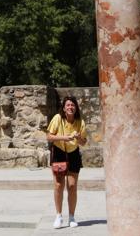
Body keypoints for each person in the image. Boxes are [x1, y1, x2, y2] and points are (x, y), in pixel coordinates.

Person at [45, 96, 87, 229]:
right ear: (64, 108)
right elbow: (49, 136)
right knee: (58, 185)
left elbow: (84, 142)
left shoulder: (80, 122)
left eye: (73, 105)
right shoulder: (58, 118)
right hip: (59, 153)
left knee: (72, 186)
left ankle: (72, 216)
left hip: (74, 153)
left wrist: (78, 137)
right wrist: (65, 138)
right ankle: (58, 216)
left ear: (76, 108)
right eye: (68, 105)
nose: (70, 107)